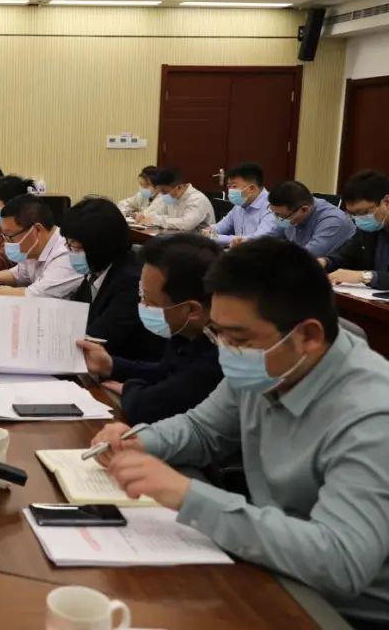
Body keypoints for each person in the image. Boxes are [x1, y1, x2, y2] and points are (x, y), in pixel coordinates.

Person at [90, 238, 389, 629]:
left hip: (333, 610)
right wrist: (140, 440)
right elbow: (202, 429)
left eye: (240, 339)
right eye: (220, 333)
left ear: (309, 336)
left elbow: (341, 562)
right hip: (268, 568)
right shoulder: (270, 363)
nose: (227, 350)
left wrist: (188, 496)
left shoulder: (372, 415)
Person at [77, 234, 222, 424]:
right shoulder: (187, 332)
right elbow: (164, 371)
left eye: (148, 299)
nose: (142, 305)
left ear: (191, 310)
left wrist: (130, 389)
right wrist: (111, 365)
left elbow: (148, 407)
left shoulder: (218, 354)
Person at [64, 197, 165, 361]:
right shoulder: (97, 270)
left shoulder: (131, 281)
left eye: (75, 246)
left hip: (127, 367)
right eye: (68, 245)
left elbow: (98, 339)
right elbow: (76, 315)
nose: (71, 252)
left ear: (99, 245)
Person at [0, 194, 82, 298]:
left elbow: (37, 295)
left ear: (37, 230)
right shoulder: (34, 248)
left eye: (10, 236)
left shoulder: (67, 252)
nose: (7, 242)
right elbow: (18, 274)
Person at [323, 170, 389, 290]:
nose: (359, 218)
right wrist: (325, 262)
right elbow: (346, 257)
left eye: (364, 212)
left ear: (386, 202)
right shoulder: (367, 230)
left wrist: (364, 276)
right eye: (353, 214)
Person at [267, 180, 354, 257]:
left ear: (304, 209)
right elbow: (269, 240)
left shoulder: (333, 221)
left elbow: (306, 257)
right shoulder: (289, 212)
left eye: (282, 216)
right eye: (275, 214)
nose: (277, 219)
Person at [208, 162, 275, 248]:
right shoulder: (239, 205)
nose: (230, 191)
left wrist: (214, 237)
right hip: (239, 253)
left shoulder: (273, 206)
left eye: (234, 186)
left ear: (251, 188)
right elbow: (219, 228)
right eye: (229, 187)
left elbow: (257, 240)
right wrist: (209, 231)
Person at [136, 168, 214, 232]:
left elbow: (186, 224)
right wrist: (145, 215)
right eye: (160, 191)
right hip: (178, 236)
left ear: (179, 187)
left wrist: (157, 220)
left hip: (199, 241)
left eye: (164, 191)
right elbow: (159, 211)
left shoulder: (197, 199)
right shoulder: (172, 196)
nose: (163, 195)